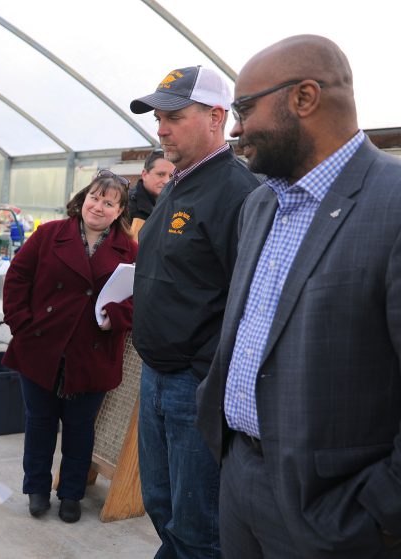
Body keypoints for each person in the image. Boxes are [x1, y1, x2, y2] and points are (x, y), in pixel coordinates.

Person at [196, 35, 401, 559]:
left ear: (304, 98)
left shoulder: (392, 204)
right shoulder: (261, 204)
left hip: (333, 514)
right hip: (239, 478)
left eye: (244, 108)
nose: (236, 127)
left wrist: (377, 513)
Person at [128, 65, 259, 558]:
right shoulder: (178, 184)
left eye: (174, 117)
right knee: (162, 504)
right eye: (158, 117)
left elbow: (248, 302)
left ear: (215, 117)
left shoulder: (237, 192)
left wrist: (206, 372)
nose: (161, 128)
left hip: (195, 384)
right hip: (157, 376)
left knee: (198, 521)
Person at [1, 170, 137, 523]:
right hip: (41, 349)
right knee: (40, 424)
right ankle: (36, 489)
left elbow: (142, 299)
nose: (99, 206)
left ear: (120, 210)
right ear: (83, 198)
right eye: (95, 197)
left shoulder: (129, 249)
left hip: (93, 354)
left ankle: (72, 494)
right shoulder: (49, 234)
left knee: (80, 430)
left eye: (109, 202)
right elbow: (17, 278)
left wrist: (116, 316)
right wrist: (23, 326)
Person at [127, 149, 174, 241]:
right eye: (161, 174)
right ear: (144, 175)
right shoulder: (126, 204)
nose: (167, 181)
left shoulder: (175, 205)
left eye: (171, 176)